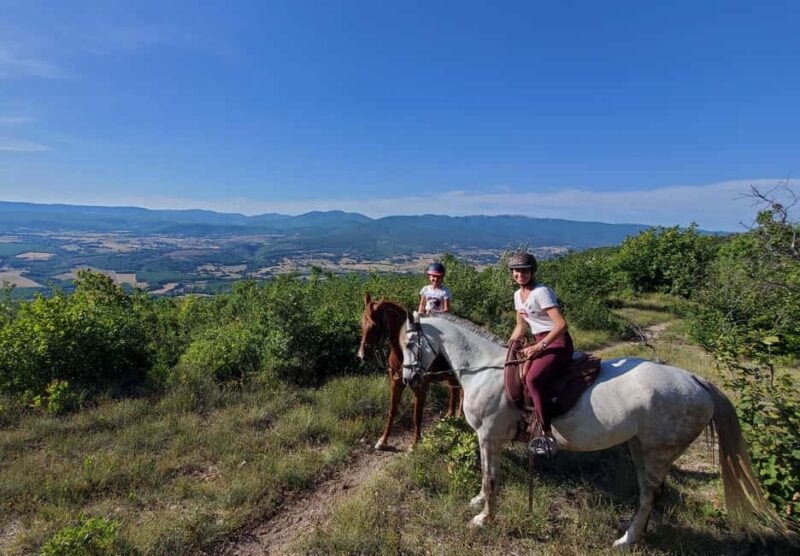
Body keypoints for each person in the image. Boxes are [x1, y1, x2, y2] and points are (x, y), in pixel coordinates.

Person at [506, 252, 573, 457]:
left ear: (532, 271)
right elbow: (520, 326)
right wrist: (509, 346)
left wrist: (539, 346)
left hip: (557, 342)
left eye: (524, 271)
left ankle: (546, 434)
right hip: (537, 340)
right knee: (510, 370)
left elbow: (561, 324)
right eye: (517, 271)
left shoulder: (542, 292)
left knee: (533, 378)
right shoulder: (518, 295)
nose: (520, 274)